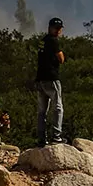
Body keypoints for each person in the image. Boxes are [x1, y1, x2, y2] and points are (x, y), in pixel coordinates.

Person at [35, 17, 66, 146]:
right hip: (51, 78)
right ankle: (56, 136)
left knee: (42, 111)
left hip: (40, 79)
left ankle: (41, 138)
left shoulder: (42, 41)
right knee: (58, 107)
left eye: (59, 28)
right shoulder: (54, 41)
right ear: (51, 28)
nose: (58, 31)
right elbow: (61, 59)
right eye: (57, 28)